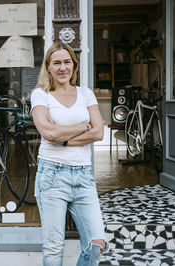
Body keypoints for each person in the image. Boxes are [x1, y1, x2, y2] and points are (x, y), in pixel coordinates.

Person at [30, 41, 108, 266]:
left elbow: (99, 132)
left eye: (67, 62)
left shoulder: (86, 93)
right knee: (54, 248)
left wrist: (61, 136)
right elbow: (48, 134)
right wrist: (83, 126)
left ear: (74, 65)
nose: (62, 67)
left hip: (83, 176)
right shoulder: (41, 95)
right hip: (52, 175)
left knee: (96, 243)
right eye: (57, 63)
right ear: (49, 67)